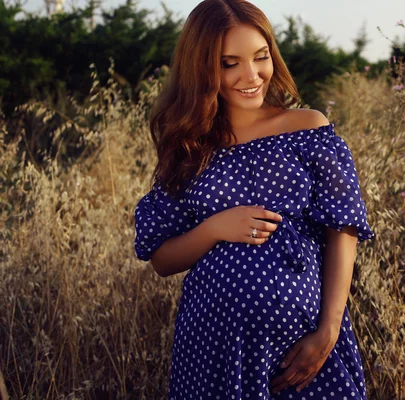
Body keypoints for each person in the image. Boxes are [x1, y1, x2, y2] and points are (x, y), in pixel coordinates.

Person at [133, 0, 376, 398]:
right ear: (200, 68)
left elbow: (343, 230)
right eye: (229, 63)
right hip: (211, 348)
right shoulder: (191, 148)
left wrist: (328, 328)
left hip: (301, 343)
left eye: (260, 57)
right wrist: (214, 228)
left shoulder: (307, 128)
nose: (251, 75)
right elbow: (161, 259)